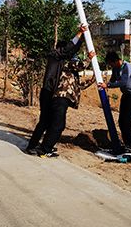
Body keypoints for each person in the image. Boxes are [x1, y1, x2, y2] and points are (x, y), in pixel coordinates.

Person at [26, 24, 87, 155]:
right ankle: (39, 147)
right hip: (49, 92)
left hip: (49, 92)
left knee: (48, 122)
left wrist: (80, 40)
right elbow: (68, 50)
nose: (70, 54)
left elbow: (71, 51)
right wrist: (79, 34)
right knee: (48, 122)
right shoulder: (55, 55)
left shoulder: (59, 60)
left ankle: (39, 146)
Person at [38, 52, 95, 157]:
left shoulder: (71, 74)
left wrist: (91, 81)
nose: (76, 61)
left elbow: (78, 86)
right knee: (58, 125)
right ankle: (45, 149)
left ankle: (46, 146)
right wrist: (89, 59)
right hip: (60, 98)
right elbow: (79, 65)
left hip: (63, 100)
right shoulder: (67, 64)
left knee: (58, 125)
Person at [100, 51, 131, 151]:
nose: (111, 66)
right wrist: (107, 83)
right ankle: (127, 144)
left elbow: (123, 82)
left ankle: (130, 145)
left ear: (115, 61)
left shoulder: (127, 67)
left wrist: (108, 85)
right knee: (121, 121)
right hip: (126, 96)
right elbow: (113, 80)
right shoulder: (115, 68)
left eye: (111, 64)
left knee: (127, 121)